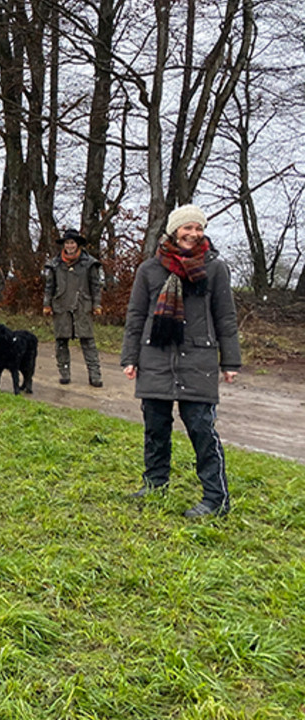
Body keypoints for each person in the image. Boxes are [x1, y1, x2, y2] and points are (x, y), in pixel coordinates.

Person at [121, 204, 241, 518]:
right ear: (175, 230)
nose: (194, 234)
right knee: (155, 428)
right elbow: (135, 317)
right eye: (188, 228)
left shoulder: (215, 269)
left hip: (198, 359)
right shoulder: (149, 270)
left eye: (199, 228)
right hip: (155, 356)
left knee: (202, 430)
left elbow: (225, 318)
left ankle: (216, 500)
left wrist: (230, 362)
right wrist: (130, 357)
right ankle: (155, 484)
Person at [43, 228, 103, 387]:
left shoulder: (90, 263)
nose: (69, 246)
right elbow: (49, 286)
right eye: (67, 243)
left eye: (72, 243)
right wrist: (46, 304)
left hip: (82, 305)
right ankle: (64, 373)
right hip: (61, 305)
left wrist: (97, 304)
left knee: (88, 341)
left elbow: (95, 286)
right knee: (61, 341)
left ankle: (95, 375)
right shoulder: (55, 264)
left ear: (78, 244)